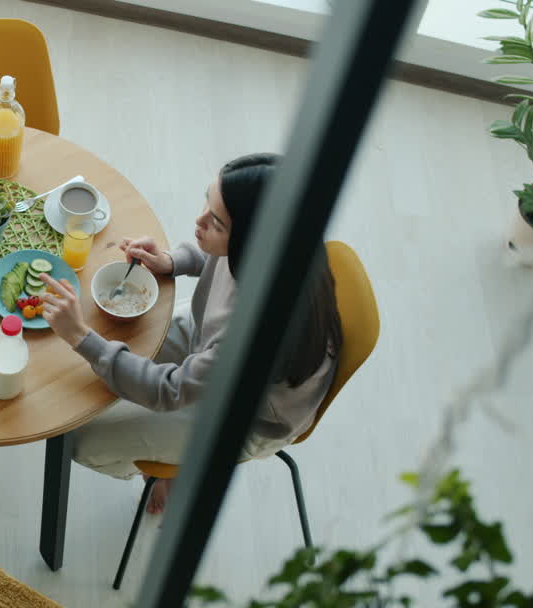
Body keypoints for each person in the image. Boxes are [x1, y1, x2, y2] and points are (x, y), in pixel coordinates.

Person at [38, 153, 342, 514]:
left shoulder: (253, 335)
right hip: (210, 346)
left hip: (240, 415)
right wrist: (172, 261)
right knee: (105, 348)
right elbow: (221, 258)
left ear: (249, 241)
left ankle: (170, 469)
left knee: (79, 437)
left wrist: (79, 336)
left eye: (216, 223)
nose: (199, 222)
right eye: (208, 202)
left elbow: (168, 389)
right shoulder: (279, 248)